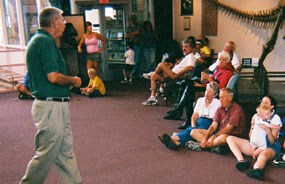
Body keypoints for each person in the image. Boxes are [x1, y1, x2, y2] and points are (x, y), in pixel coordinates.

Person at [20, 7, 83, 184]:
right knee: (46, 153)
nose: (64, 23)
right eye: (62, 20)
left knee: (64, 152)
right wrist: (74, 81)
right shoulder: (44, 42)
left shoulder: (41, 40)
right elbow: (53, 77)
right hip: (51, 107)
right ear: (54, 22)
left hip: (55, 106)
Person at [165, 50, 234, 130]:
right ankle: (180, 110)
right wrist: (204, 79)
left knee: (189, 89)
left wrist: (205, 81)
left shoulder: (227, 71)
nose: (221, 62)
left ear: (227, 61)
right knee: (186, 85)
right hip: (209, 87)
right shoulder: (219, 68)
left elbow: (220, 87)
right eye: (220, 59)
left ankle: (181, 112)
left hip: (215, 91)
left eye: (223, 60)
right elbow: (212, 81)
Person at [226, 96, 282, 180]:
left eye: (265, 103)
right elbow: (251, 134)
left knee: (263, 155)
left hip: (269, 146)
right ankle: (241, 161)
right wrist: (253, 147)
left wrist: (268, 130)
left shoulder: (275, 118)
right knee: (230, 138)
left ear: (272, 107)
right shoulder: (256, 116)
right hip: (255, 144)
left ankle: (257, 169)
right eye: (262, 102)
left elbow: (272, 141)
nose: (262, 104)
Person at [158, 82, 220, 150]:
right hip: (198, 122)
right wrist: (193, 125)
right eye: (206, 90)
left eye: (210, 92)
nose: (207, 93)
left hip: (208, 124)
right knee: (190, 129)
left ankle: (173, 138)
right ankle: (176, 142)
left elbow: (216, 120)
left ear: (215, 95)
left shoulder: (218, 103)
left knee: (190, 131)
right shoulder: (200, 100)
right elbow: (195, 115)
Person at [189, 88, 246, 154]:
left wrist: (214, 136)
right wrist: (205, 138)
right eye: (219, 98)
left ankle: (205, 145)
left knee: (224, 137)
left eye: (222, 98)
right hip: (218, 134)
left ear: (230, 98)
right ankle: (212, 146)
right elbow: (213, 126)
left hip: (231, 136)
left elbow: (228, 129)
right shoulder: (220, 108)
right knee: (193, 132)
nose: (220, 100)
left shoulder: (237, 109)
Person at [142, 39, 196, 106]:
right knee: (154, 76)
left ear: (191, 48)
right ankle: (152, 98)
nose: (184, 48)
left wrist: (177, 75)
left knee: (161, 64)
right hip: (171, 75)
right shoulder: (186, 57)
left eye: (186, 47)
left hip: (175, 76)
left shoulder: (191, 57)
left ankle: (152, 73)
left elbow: (190, 67)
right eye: (183, 47)